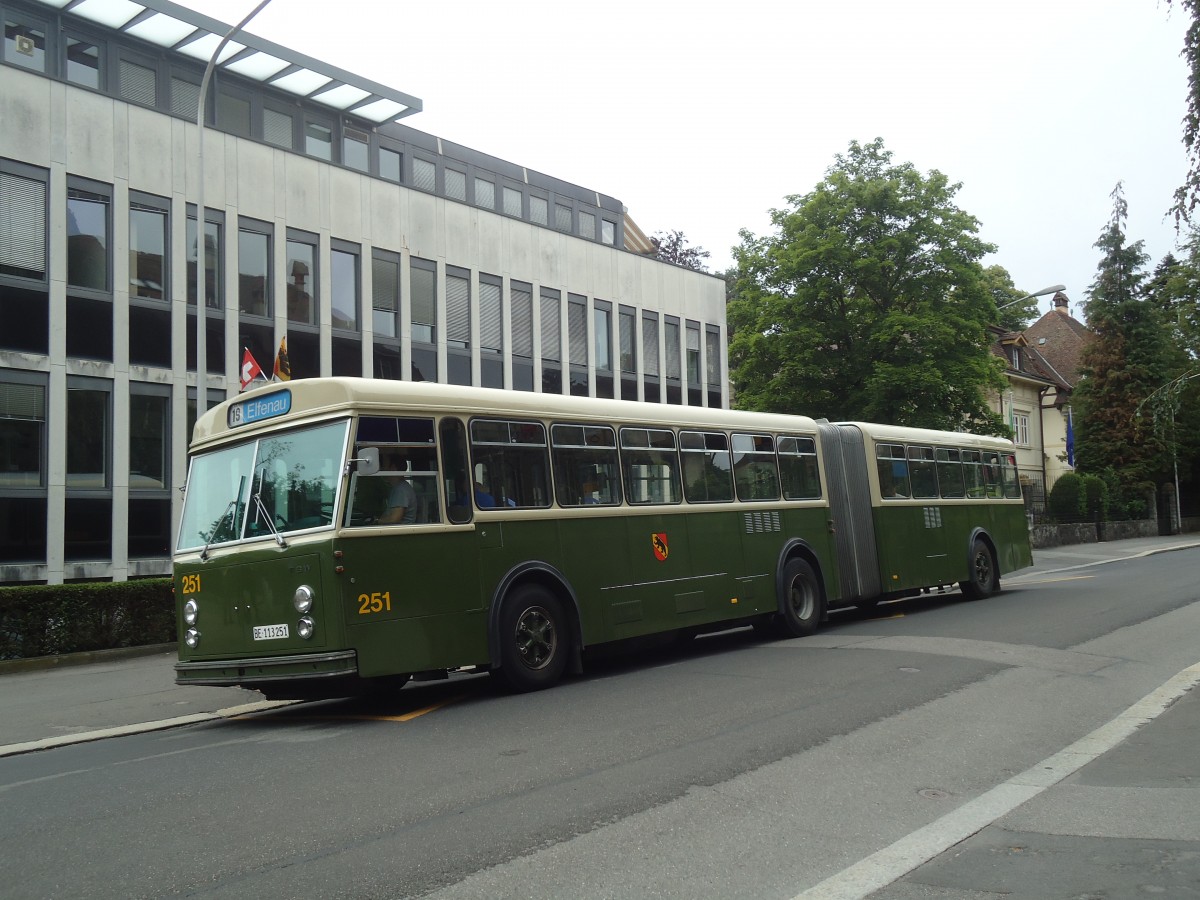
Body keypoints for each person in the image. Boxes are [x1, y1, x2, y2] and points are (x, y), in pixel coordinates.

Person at [377, 449, 417, 524]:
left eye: (384, 465)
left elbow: (395, 518)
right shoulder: (397, 488)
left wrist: (376, 521)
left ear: (393, 467)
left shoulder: (401, 490)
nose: (381, 468)